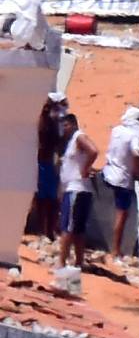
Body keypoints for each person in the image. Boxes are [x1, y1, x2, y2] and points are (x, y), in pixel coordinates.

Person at [102, 106, 139, 260]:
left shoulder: (117, 131)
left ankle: (114, 248)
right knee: (122, 214)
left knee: (118, 212)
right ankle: (115, 250)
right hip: (124, 178)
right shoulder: (134, 136)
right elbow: (136, 154)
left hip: (109, 173)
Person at [58, 115, 98, 269]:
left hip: (76, 188)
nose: (64, 128)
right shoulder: (72, 142)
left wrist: (85, 168)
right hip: (78, 189)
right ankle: (79, 262)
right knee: (78, 229)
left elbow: (93, 151)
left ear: (74, 124)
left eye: (66, 125)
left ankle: (61, 262)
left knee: (68, 228)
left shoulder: (78, 137)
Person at [35, 93, 65, 241]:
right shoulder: (43, 122)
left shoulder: (54, 122)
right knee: (43, 199)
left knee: (51, 199)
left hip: (49, 163)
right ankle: (42, 230)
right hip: (41, 163)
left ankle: (48, 231)